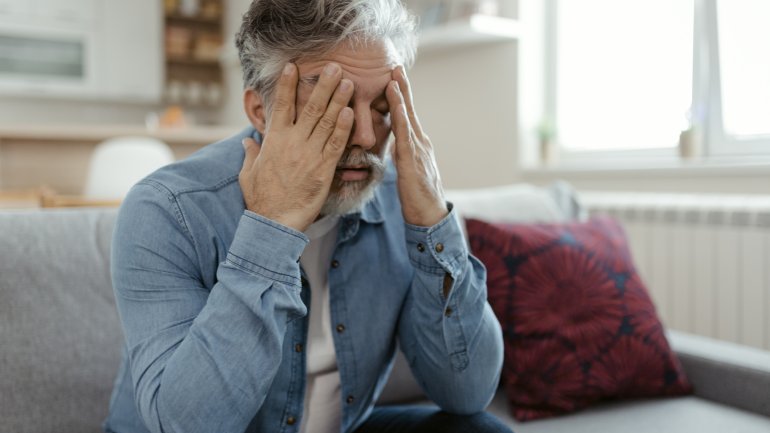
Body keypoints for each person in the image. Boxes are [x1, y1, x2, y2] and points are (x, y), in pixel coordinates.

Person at [104, 1, 511, 432]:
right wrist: (272, 228)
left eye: (382, 107)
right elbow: (186, 426)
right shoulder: (168, 209)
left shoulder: (404, 197)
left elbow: (468, 393)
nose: (368, 137)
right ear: (261, 112)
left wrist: (432, 225)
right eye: (333, 106)